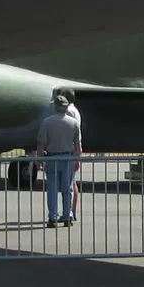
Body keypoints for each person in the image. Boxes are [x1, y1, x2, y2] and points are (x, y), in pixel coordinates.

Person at [36, 95, 82, 227]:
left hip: (52, 158)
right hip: (68, 158)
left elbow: (41, 143)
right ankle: (67, 216)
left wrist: (39, 159)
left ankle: (53, 217)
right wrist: (77, 160)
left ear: (55, 106)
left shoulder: (47, 122)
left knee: (52, 189)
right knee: (67, 188)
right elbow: (78, 145)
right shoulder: (74, 123)